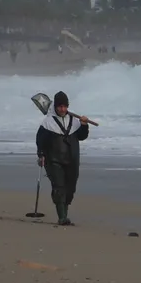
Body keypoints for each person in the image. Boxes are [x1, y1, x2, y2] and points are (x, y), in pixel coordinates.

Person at [35, 91, 92, 226]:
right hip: (53, 160)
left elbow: (82, 137)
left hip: (72, 159)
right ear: (55, 107)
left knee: (70, 188)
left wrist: (84, 125)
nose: (62, 109)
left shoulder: (74, 121)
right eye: (60, 106)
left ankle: (64, 213)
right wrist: (41, 155)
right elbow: (40, 141)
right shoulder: (47, 123)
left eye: (65, 106)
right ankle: (62, 217)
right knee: (59, 187)